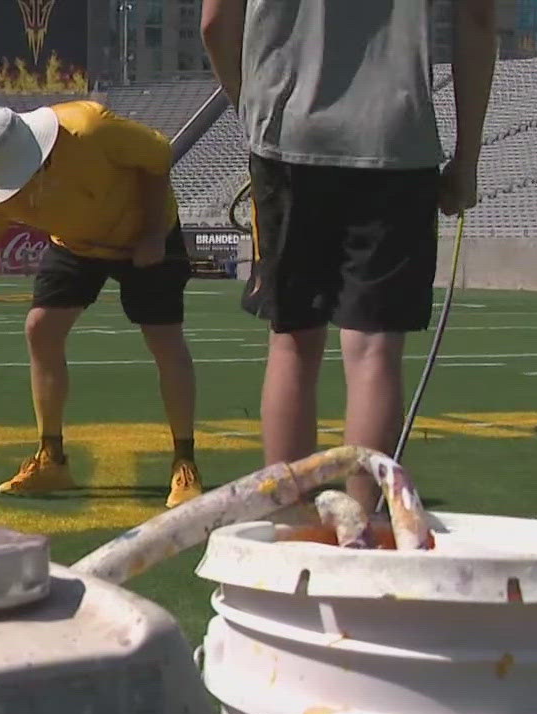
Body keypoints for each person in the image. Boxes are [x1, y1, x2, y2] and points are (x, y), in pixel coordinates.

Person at [201, 0, 494, 509]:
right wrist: (467, 157)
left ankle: (289, 527)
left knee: (293, 343)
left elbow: (213, 22)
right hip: (395, 136)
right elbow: (477, 20)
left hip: (286, 130)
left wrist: (251, 106)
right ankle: (365, 532)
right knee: (374, 353)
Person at [0, 102, 204, 509]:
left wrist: (151, 235)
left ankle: (185, 461)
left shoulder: (91, 130)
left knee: (164, 338)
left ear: (38, 164)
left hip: (144, 233)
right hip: (76, 244)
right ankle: (52, 459)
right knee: (40, 329)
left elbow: (158, 156)